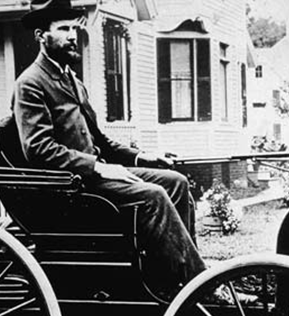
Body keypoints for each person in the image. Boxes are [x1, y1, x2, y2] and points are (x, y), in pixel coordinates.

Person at [13, 0, 206, 298]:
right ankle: (200, 287)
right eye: (63, 29)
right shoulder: (30, 83)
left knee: (176, 182)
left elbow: (99, 141)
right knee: (153, 196)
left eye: (75, 28)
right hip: (68, 189)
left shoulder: (73, 81)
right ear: (41, 35)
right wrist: (97, 166)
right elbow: (38, 149)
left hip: (93, 179)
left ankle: (172, 280)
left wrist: (141, 157)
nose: (73, 35)